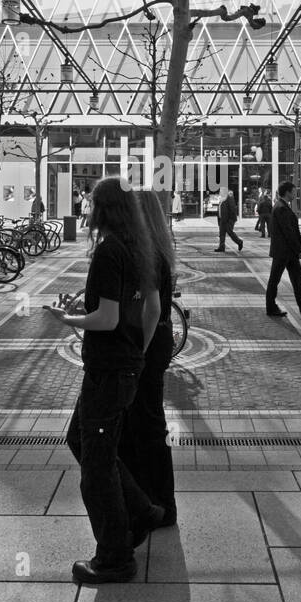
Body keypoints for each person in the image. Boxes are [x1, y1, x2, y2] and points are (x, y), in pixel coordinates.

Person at [44, 177, 164, 585]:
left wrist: (67, 319)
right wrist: (140, 351)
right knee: (81, 440)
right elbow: (149, 306)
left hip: (109, 370)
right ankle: (143, 511)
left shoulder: (109, 251)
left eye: (93, 202)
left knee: (96, 466)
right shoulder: (138, 247)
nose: (87, 208)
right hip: (124, 365)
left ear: (103, 208)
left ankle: (115, 556)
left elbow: (107, 319)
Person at [118, 188, 179, 530]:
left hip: (148, 344)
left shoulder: (147, 253)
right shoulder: (159, 248)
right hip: (157, 342)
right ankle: (153, 500)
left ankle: (157, 503)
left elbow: (151, 309)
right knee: (148, 419)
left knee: (147, 421)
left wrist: (137, 352)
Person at [265, 182, 301, 318]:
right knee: (274, 279)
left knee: (296, 275)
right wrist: (299, 250)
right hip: (283, 251)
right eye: (294, 191)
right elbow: (289, 232)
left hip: (287, 252)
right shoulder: (281, 207)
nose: (295, 194)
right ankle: (271, 307)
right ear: (287, 192)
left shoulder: (282, 206)